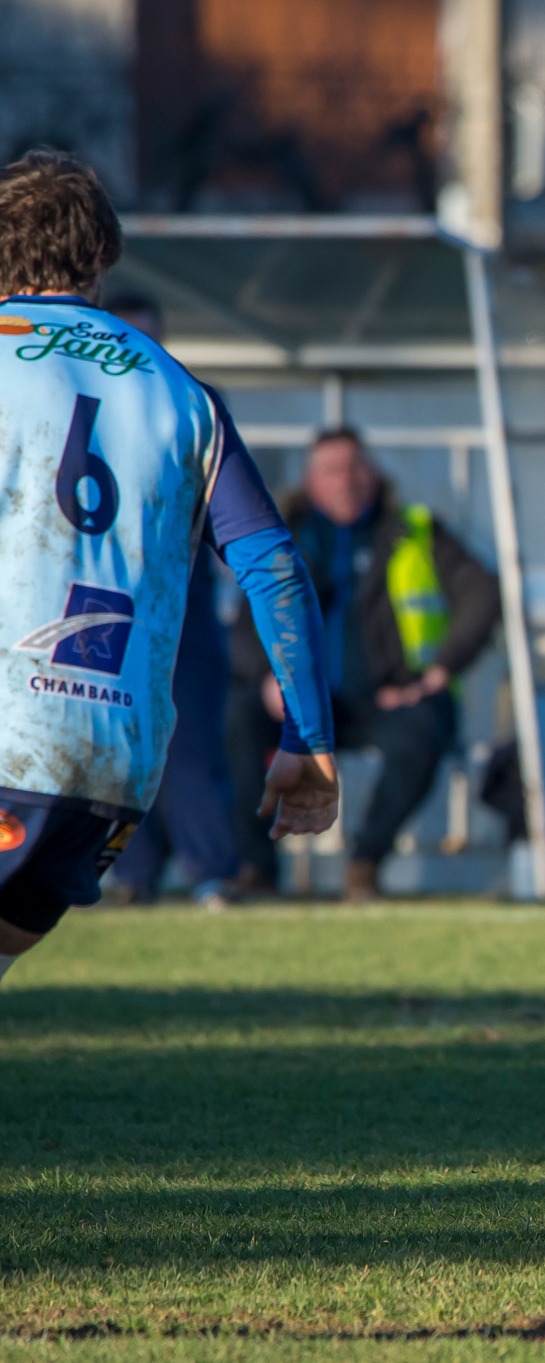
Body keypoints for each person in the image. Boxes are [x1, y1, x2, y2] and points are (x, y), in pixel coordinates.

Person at [0, 150, 337, 982]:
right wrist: (308, 738)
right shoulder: (183, 392)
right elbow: (274, 567)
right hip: (111, 766)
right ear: (100, 255)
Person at [225, 428, 500, 900]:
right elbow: (243, 627)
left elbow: (482, 592)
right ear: (310, 480)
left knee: (424, 729)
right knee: (237, 719)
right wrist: (268, 679)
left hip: (384, 697)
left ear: (373, 474)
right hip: (301, 702)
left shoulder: (412, 531)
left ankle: (365, 862)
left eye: (356, 468)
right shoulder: (281, 539)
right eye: (332, 471)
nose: (346, 481)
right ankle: (257, 869)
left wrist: (439, 671)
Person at [98, 290, 247, 909]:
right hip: (104, 606)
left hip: (183, 610)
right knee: (113, 744)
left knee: (190, 746)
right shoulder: (79, 409)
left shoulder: (190, 406)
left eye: (150, 339)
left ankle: (211, 875)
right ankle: (130, 876)